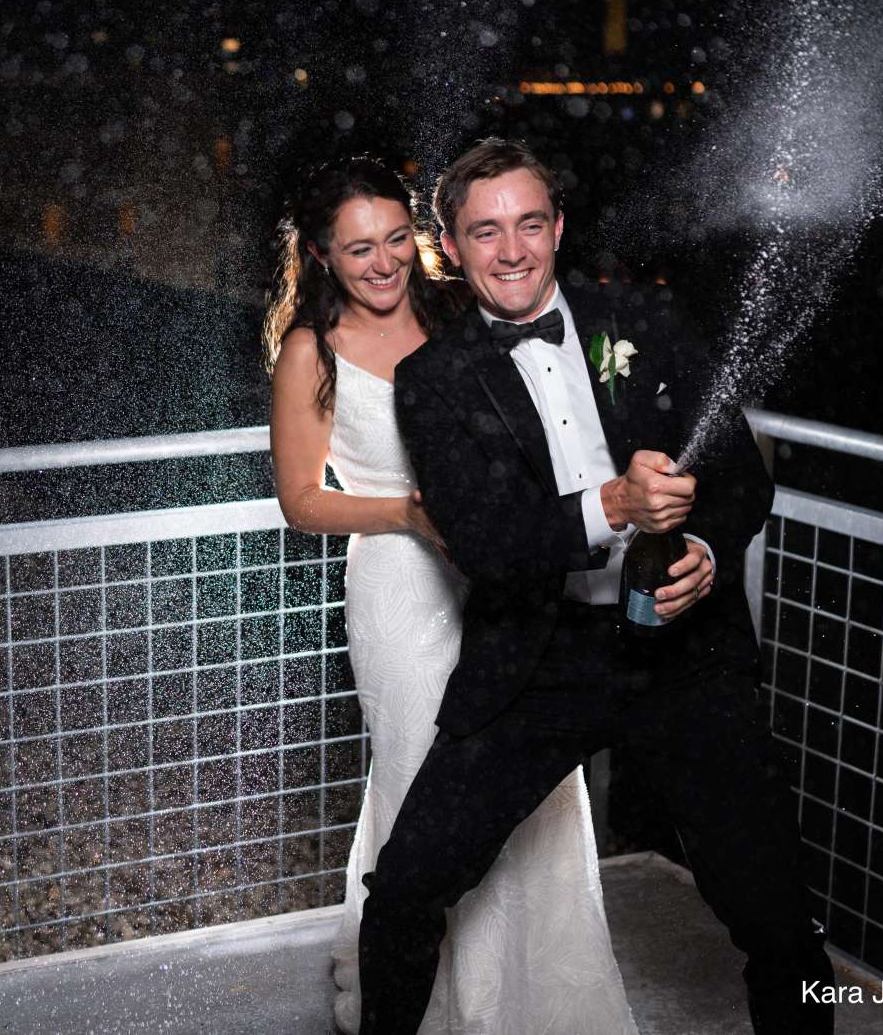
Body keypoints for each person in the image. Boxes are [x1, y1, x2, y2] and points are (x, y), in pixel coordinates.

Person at [357, 137, 836, 1034]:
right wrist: (612, 502)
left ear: (559, 227)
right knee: (407, 889)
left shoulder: (645, 322)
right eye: (485, 231)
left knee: (775, 913)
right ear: (450, 248)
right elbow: (489, 543)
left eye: (530, 225)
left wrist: (705, 551)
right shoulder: (432, 380)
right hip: (539, 662)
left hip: (682, 654)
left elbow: (741, 479)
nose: (512, 251)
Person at [266, 156, 639, 1034]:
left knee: (537, 789)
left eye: (397, 238)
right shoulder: (308, 352)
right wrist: (405, 512)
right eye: (359, 248)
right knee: (421, 782)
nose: (383, 261)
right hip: (400, 587)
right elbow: (300, 499)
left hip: (507, 578)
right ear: (322, 255)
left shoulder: (455, 314)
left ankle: (540, 995)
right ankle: (444, 1004)